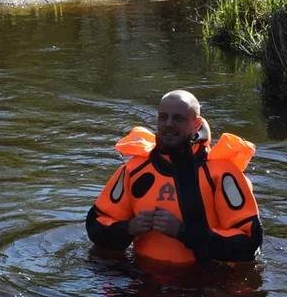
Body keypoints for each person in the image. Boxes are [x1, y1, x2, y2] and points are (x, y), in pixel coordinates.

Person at [86, 90, 263, 265]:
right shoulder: (134, 169)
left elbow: (249, 244)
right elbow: (96, 227)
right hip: (142, 279)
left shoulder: (222, 173)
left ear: (196, 124)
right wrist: (130, 228)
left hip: (205, 281)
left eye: (178, 118)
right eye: (163, 117)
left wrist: (182, 232)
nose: (169, 124)